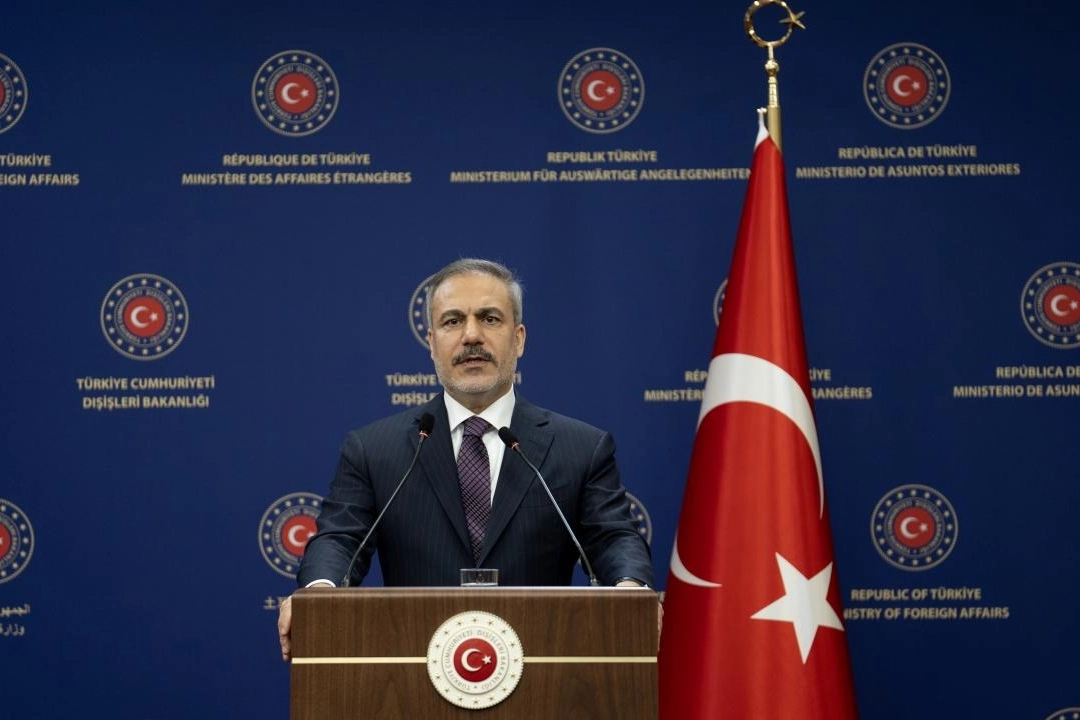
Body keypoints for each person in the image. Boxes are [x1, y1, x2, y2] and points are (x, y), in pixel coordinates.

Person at [277, 258, 654, 661]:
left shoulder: (580, 447)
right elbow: (339, 539)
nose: (471, 335)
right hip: (412, 670)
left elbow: (614, 538)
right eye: (453, 321)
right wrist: (319, 592)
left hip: (542, 668)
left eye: (490, 319)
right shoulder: (373, 449)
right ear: (432, 342)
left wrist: (630, 587)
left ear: (519, 339)